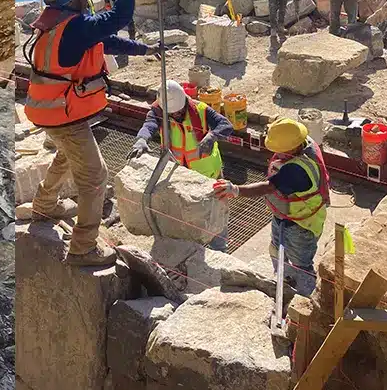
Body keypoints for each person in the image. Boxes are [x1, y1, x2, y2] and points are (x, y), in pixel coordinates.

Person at [22, 0, 166, 266]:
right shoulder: (75, 27)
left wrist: (146, 49)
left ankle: (44, 205)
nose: (86, 0)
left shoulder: (59, 26)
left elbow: (108, 41)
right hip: (64, 116)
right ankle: (83, 247)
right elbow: (120, 17)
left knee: (66, 156)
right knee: (95, 177)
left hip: (50, 111)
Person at [213, 118, 329, 297]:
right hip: (285, 216)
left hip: (302, 224)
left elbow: (268, 187)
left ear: (290, 147)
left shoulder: (296, 171)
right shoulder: (305, 142)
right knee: (276, 248)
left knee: (300, 263)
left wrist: (236, 190)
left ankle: (305, 297)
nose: (273, 152)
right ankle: (281, 279)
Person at [128, 80, 233, 180]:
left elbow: (225, 125)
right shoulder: (158, 111)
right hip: (176, 171)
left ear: (184, 102)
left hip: (206, 171)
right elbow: (149, 126)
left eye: (178, 111)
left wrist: (212, 136)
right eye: (171, 113)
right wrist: (142, 139)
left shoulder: (200, 109)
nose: (175, 115)